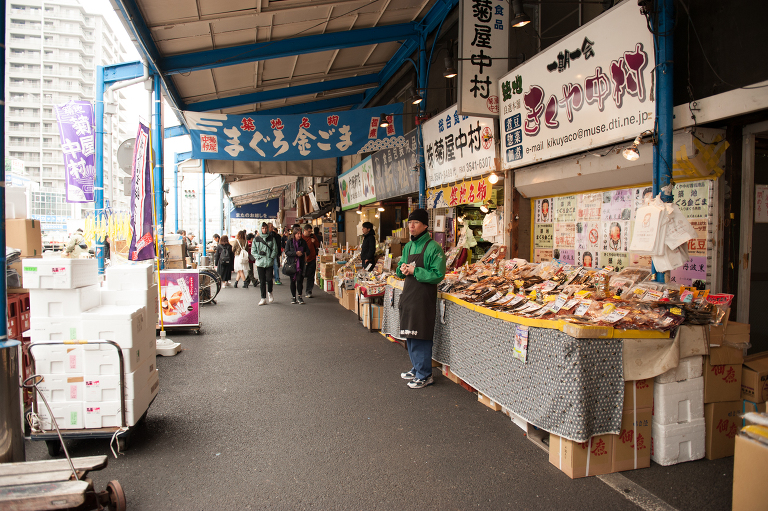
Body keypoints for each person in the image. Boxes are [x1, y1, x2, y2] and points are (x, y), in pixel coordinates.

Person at [395, 209, 446, 389]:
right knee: (409, 334)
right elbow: (400, 266)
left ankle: (425, 374)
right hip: (409, 296)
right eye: (410, 223)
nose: (411, 226)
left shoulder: (434, 248)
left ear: (425, 225)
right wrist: (401, 269)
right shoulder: (408, 246)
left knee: (421, 336)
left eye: (415, 222)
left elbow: (438, 274)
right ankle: (417, 368)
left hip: (423, 298)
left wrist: (415, 270)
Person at [252, 223, 277, 306]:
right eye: (263, 228)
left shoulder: (271, 238)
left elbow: (275, 249)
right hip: (260, 262)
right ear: (260, 229)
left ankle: (270, 292)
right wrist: (258, 257)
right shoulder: (256, 239)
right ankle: (263, 298)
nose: (264, 230)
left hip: (269, 262)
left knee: (269, 279)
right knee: (262, 280)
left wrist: (271, 257)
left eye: (266, 228)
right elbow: (253, 251)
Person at [284, 226, 309, 304]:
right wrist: (295, 253)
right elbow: (286, 252)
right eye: (297, 234)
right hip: (292, 263)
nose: (299, 235)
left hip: (300, 264)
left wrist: (303, 253)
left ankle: (300, 296)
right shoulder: (289, 242)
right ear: (294, 234)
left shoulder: (303, 242)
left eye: (300, 234)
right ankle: (293, 297)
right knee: (292, 281)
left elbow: (308, 251)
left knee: (299, 280)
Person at [301, 224, 321, 298]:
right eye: (309, 231)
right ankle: (300, 291)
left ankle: (309, 291)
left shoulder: (313, 236)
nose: (310, 233)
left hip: (312, 259)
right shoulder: (301, 237)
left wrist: (314, 241)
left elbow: (317, 245)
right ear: (305, 230)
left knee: (311, 275)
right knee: (301, 275)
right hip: (303, 260)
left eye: (311, 231)